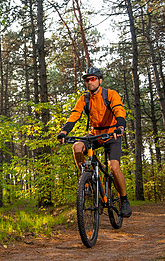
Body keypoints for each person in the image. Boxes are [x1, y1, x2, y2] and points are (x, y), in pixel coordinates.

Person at [57, 67, 132, 218]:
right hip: (94, 134)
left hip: (112, 135)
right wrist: (64, 132)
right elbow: (74, 115)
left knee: (114, 167)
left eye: (93, 79)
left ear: (100, 80)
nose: (90, 82)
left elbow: (119, 110)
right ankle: (87, 183)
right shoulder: (84, 99)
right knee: (77, 147)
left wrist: (120, 127)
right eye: (87, 80)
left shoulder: (110, 94)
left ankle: (124, 199)